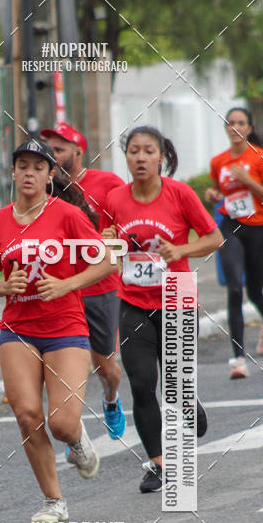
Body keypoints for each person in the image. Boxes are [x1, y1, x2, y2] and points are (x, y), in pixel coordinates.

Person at [0, 139, 115, 523]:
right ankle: (54, 501)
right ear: (12, 172)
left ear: (50, 175)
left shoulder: (66, 215)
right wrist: (4, 287)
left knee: (61, 422)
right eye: (22, 165)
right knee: (26, 415)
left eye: (38, 168)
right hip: (18, 328)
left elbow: (107, 261)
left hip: (65, 327)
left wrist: (67, 284)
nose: (29, 173)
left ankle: (76, 439)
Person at [100, 125, 222, 493]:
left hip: (176, 296)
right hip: (134, 301)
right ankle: (158, 464)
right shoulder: (115, 199)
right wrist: (105, 244)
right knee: (141, 383)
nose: (140, 157)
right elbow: (107, 250)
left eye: (148, 151)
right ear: (127, 157)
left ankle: (189, 401)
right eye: (133, 151)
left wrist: (181, 251)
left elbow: (214, 237)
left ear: (161, 157)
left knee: (175, 386)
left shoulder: (180, 193)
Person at [41, 123, 126, 438]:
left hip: (100, 289)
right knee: (63, 367)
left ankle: (111, 398)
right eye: (50, 146)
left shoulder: (106, 183)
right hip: (61, 290)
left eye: (60, 146)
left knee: (106, 369)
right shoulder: (45, 186)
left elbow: (126, 220)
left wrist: (115, 234)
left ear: (79, 150)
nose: (54, 151)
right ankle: (70, 425)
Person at [205, 106, 263, 378]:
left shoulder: (261, 158)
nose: (235, 127)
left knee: (254, 291)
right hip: (231, 226)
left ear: (249, 128)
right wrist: (211, 195)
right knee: (234, 289)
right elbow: (219, 192)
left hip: (260, 227)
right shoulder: (218, 161)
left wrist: (248, 181)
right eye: (230, 123)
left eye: (240, 123)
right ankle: (238, 360)